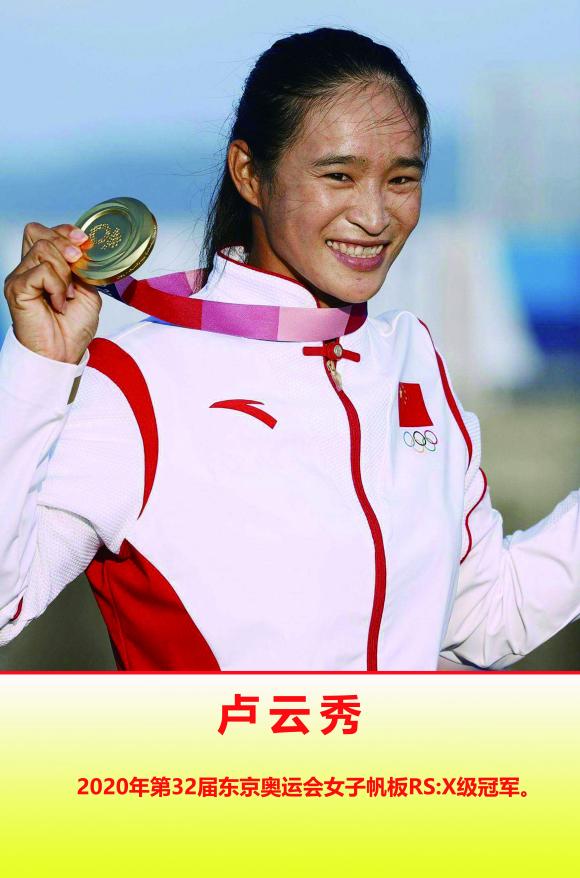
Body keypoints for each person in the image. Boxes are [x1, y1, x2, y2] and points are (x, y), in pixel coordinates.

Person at [1, 28, 578, 671]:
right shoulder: (136, 383)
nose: (374, 216)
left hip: (392, 747)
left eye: (401, 179)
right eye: (339, 176)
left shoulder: (411, 361)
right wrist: (36, 367)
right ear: (250, 174)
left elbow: (487, 621)